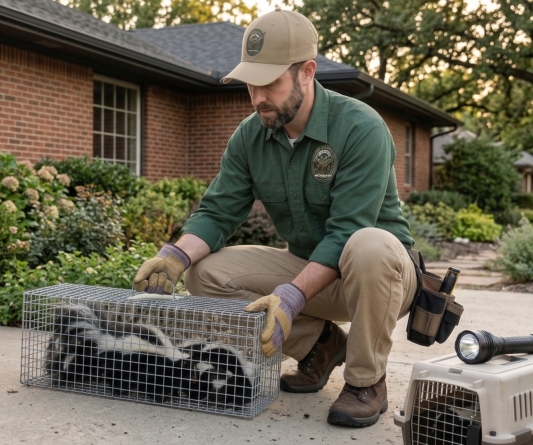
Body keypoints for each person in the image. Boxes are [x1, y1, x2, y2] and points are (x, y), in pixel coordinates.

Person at [133, 6, 418, 428]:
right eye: (251, 84)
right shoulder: (251, 135)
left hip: (380, 276)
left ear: (306, 71)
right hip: (311, 271)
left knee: (368, 244)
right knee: (204, 273)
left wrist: (291, 297)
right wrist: (175, 255)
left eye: (270, 83)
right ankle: (320, 345)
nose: (258, 96)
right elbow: (218, 210)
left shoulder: (361, 127)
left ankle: (366, 383)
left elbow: (348, 231)